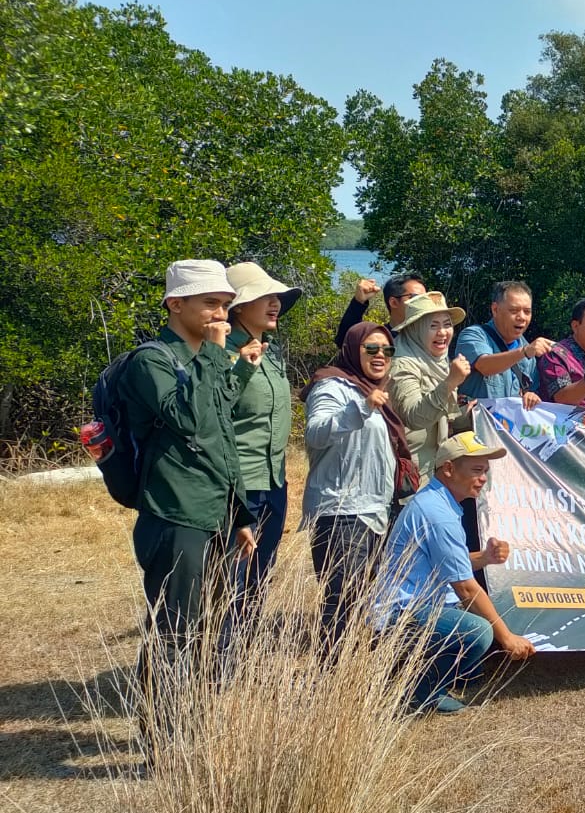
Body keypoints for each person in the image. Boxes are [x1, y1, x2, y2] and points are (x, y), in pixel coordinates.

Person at [121, 260, 260, 716]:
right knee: (175, 629)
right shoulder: (152, 360)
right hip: (175, 512)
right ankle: (164, 733)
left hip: (211, 512)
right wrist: (217, 353)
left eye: (225, 305)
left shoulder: (200, 358)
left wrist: (236, 515)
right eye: (210, 303)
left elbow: (220, 434)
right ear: (175, 304)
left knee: (206, 626)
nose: (221, 314)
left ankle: (191, 721)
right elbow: (190, 420)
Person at [374, 432, 536, 714]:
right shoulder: (439, 514)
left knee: (478, 634)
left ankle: (421, 677)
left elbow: (446, 563)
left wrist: (484, 558)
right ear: (448, 469)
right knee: (479, 631)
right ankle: (419, 691)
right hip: (402, 612)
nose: (483, 478)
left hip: (411, 605)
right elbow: (465, 589)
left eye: (485, 471)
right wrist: (507, 638)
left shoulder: (437, 502)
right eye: (476, 470)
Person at [301, 322, 414, 648]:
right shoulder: (332, 386)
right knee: (342, 604)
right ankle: (330, 670)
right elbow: (315, 433)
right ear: (352, 349)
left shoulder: (375, 389)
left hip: (376, 511)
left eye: (387, 349)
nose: (380, 355)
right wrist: (361, 408)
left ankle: (355, 666)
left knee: (368, 601)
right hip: (342, 512)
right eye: (371, 348)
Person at [220, 262, 300, 642]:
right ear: (238, 307)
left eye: (277, 297)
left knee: (261, 571)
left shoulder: (271, 352)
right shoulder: (221, 355)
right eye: (265, 297)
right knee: (231, 577)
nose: (275, 304)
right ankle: (219, 655)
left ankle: (245, 652)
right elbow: (214, 414)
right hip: (240, 485)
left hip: (274, 481)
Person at [388, 291, 472, 481]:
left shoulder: (435, 360)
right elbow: (414, 417)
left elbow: (439, 416)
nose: (442, 332)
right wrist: (450, 382)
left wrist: (468, 416)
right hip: (406, 473)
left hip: (432, 467)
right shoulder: (402, 364)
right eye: (433, 325)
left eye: (447, 324)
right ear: (414, 329)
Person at [455, 280, 551, 409]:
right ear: (495, 309)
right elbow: (485, 366)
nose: (522, 317)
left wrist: (531, 396)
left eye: (527, 312)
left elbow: (532, 390)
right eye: (514, 311)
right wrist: (524, 352)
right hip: (475, 420)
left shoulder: (528, 351)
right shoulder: (473, 335)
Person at [335, 273, 426, 345]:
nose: (423, 302)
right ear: (393, 302)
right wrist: (358, 302)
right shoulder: (380, 338)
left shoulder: (430, 336)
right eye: (416, 297)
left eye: (426, 297)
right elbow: (346, 341)